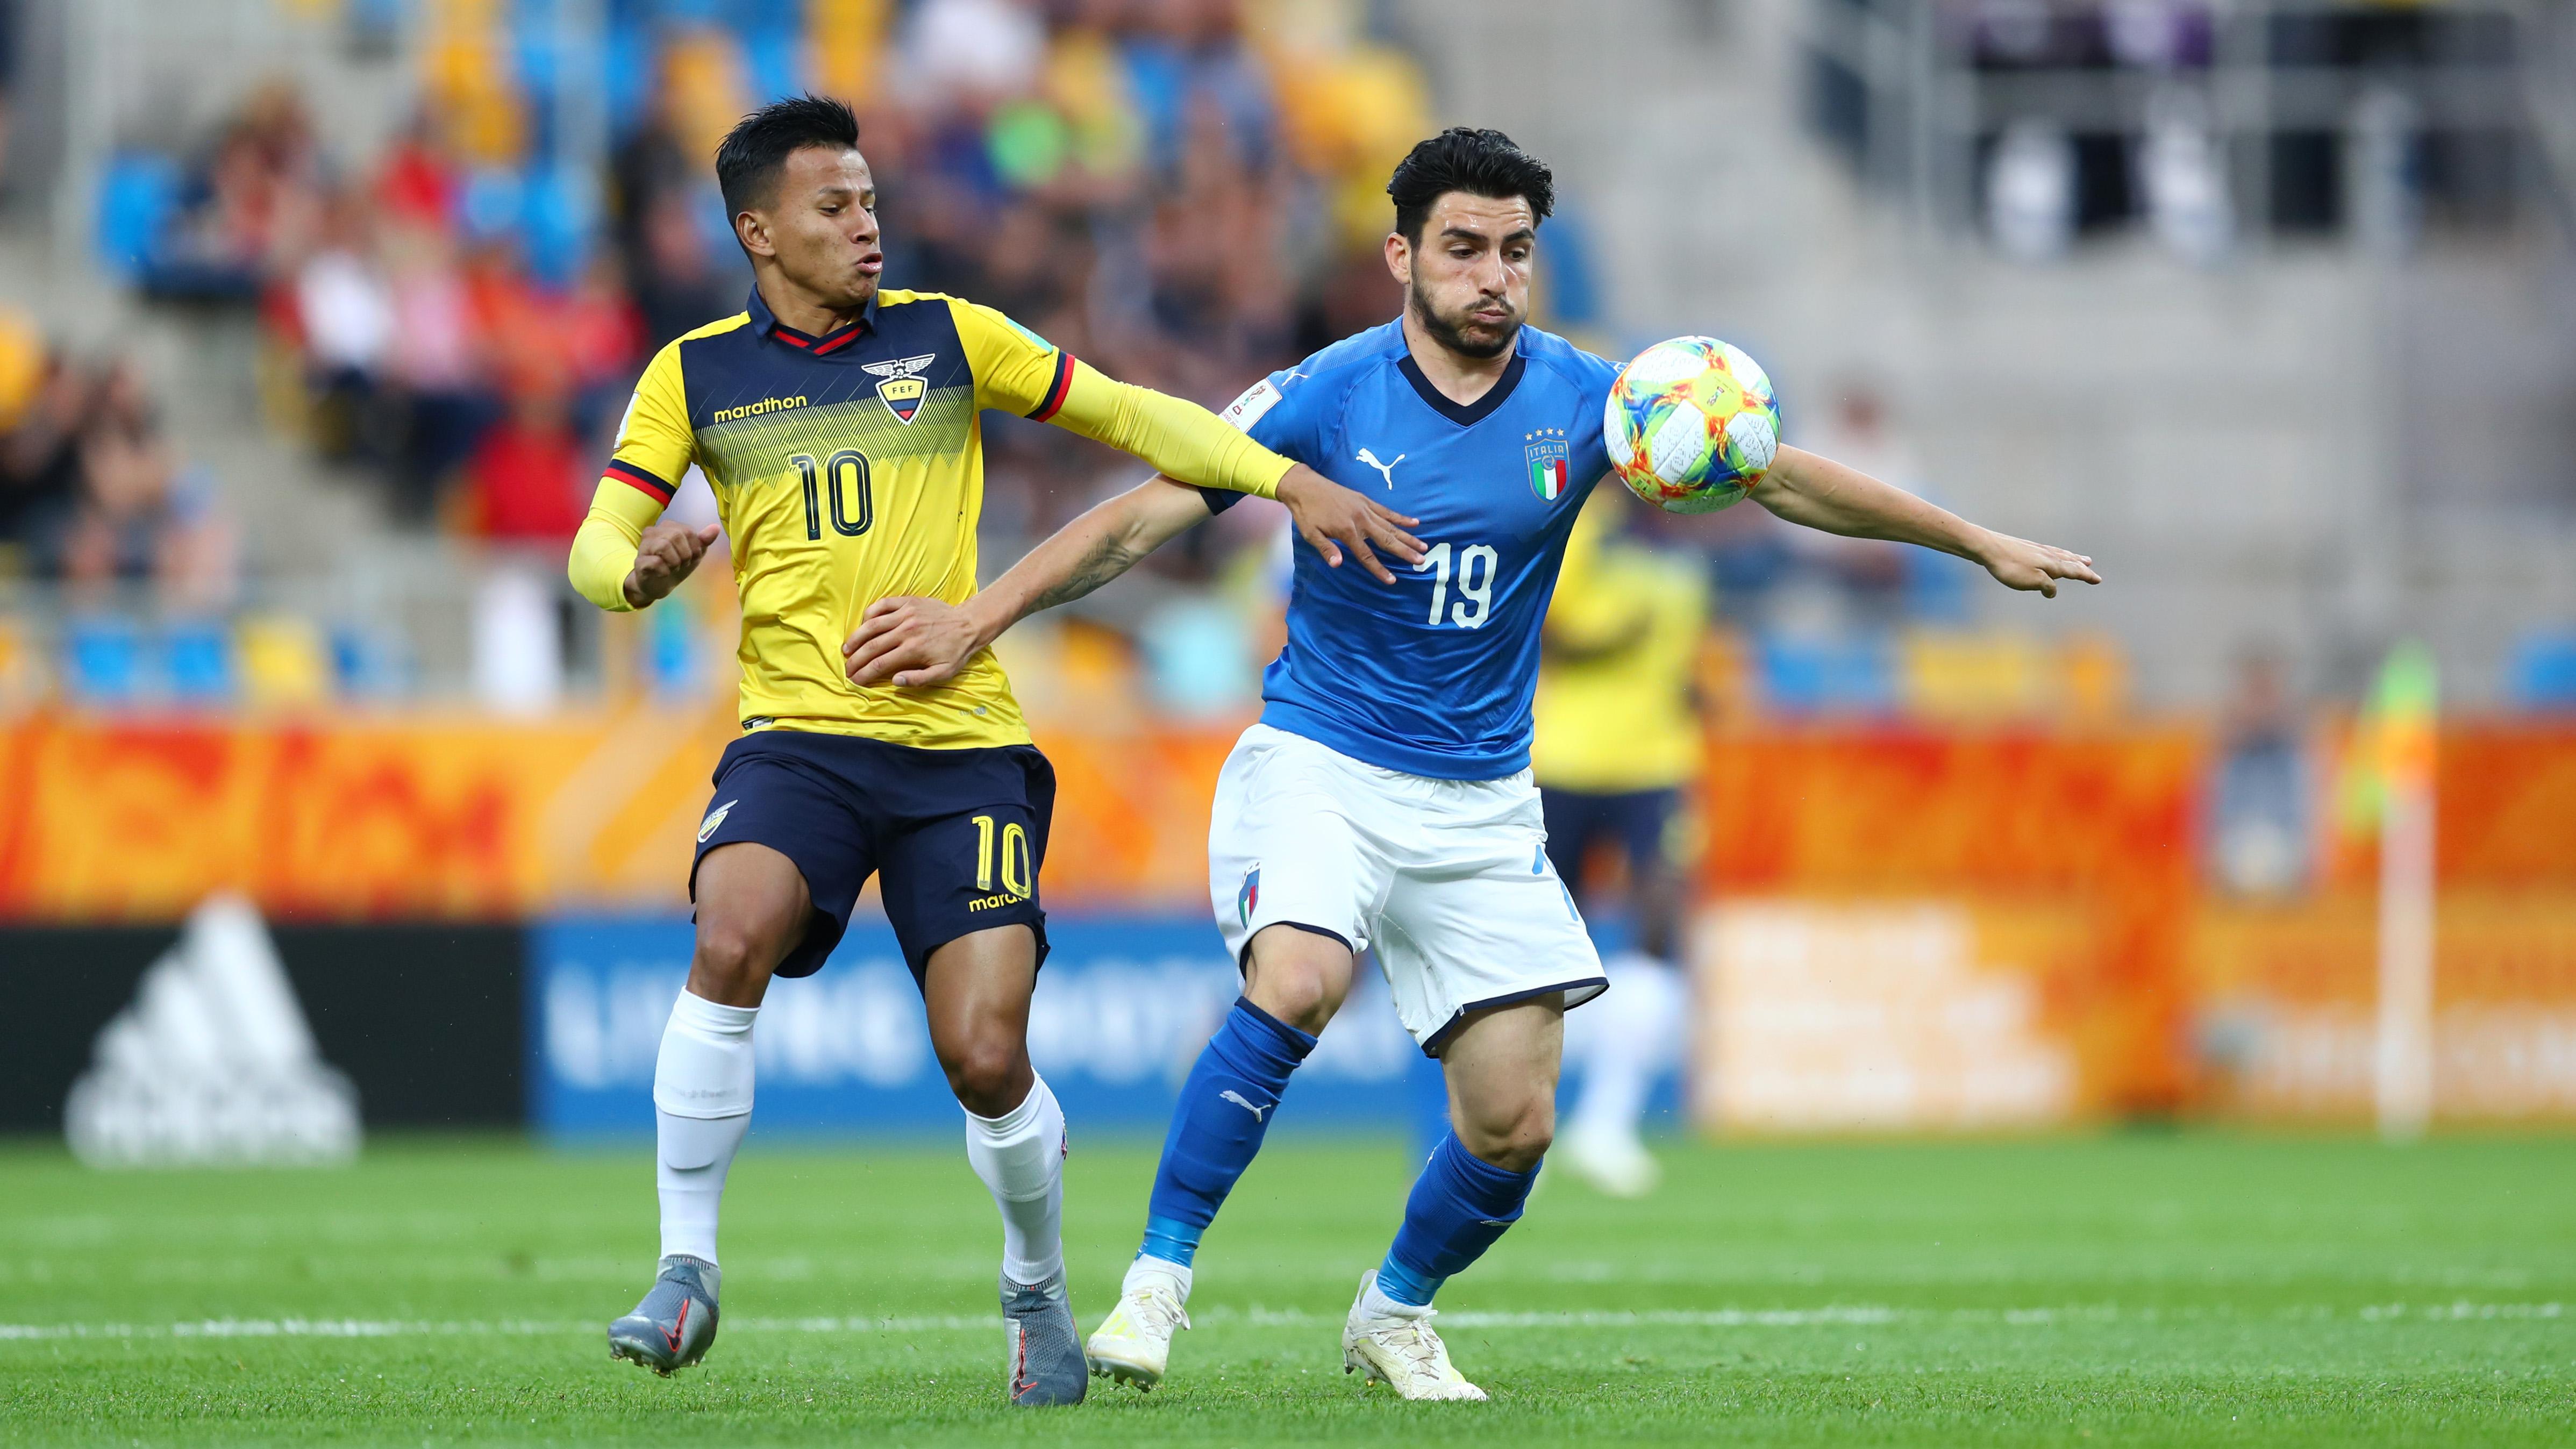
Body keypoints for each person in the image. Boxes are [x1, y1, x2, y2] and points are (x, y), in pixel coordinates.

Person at [842, 126, 2098, 1401]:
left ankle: (1392, 1311)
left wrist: (1972, 540)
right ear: (1401, 256)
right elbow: (1138, 518)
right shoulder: (1327, 392)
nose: (1492, 275)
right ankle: (1155, 1285)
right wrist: (974, 616)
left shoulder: (1589, 400)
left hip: (1483, 800)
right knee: (1298, 975)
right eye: (1462, 248)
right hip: (1321, 760)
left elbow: (1778, 481)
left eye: (1514, 251)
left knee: (1514, 1122)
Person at [563, 95, 1411, 1406]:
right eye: (833, 207)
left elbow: (1134, 418)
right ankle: (685, 1265)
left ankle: (1033, 1285)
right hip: (797, 738)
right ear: (758, 230)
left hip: (961, 754)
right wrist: (640, 571)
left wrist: (1282, 480)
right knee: (730, 931)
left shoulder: (952, 340)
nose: (866, 225)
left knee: (983, 1053)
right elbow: (592, 550)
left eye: (870, 201)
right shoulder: (693, 373)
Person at [1532, 487, 1706, 1197]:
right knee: (1527, 946)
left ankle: (1607, 1126)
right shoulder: (1583, 526)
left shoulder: (1692, 550)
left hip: (1658, 763)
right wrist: (1614, 636)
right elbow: (1542, 624)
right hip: (1563, 760)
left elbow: (1673, 655)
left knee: (1662, 925)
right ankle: (1513, 1130)